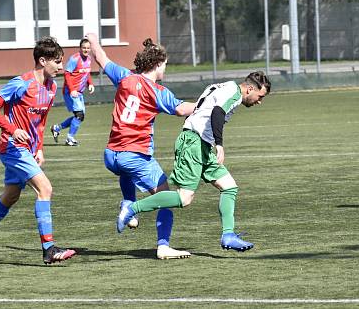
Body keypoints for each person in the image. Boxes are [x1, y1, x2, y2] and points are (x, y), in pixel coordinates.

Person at [117, 71, 271, 252]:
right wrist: (219, 144)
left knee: (229, 186)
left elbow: (201, 108)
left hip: (201, 144)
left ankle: (228, 235)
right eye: (260, 96)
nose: (259, 101)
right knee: (184, 198)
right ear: (250, 88)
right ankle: (131, 209)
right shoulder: (234, 93)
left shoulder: (222, 86)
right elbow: (217, 112)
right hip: (194, 143)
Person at [86, 33, 196, 260]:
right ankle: (163, 245)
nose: (165, 69)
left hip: (111, 156)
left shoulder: (125, 77)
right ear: (157, 64)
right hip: (134, 155)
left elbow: (101, 57)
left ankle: (128, 201)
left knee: (125, 171)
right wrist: (209, 103)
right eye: (165, 65)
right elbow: (182, 110)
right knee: (167, 197)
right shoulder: (158, 92)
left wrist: (94, 40)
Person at [0, 36, 76, 264]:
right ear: (42, 61)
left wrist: (39, 148)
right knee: (45, 189)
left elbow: (40, 121)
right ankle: (49, 248)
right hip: (12, 148)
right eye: (57, 62)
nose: (61, 67)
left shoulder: (51, 87)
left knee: (11, 195)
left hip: (28, 150)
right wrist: (12, 129)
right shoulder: (21, 83)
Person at [51, 38, 95, 146]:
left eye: (88, 48)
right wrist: (72, 90)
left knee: (80, 116)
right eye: (84, 48)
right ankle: (69, 138)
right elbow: (67, 74)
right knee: (79, 115)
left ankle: (57, 128)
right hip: (70, 92)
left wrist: (90, 84)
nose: (86, 50)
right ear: (80, 48)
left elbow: (87, 73)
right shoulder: (74, 59)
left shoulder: (89, 59)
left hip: (79, 92)